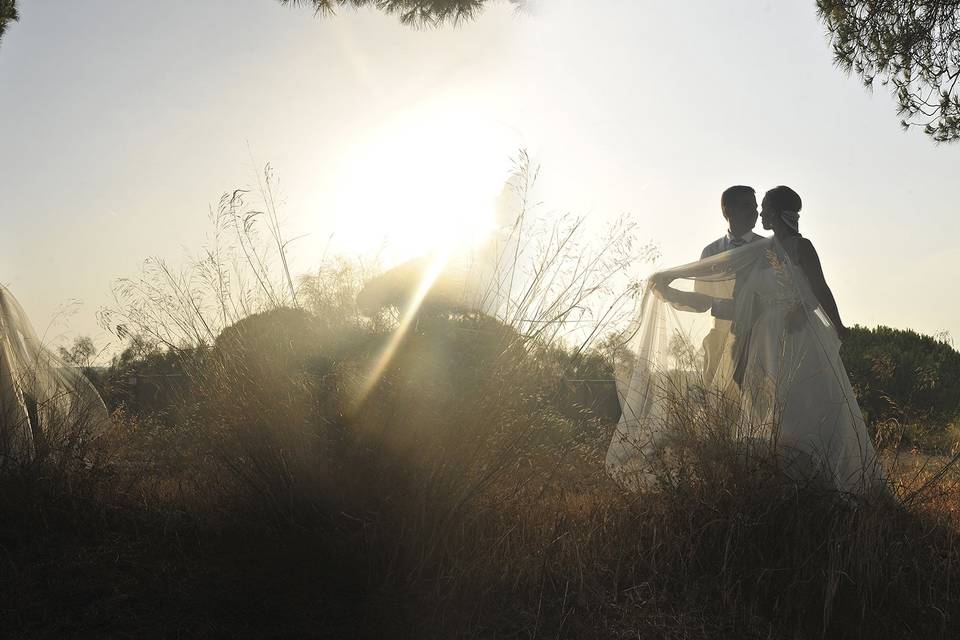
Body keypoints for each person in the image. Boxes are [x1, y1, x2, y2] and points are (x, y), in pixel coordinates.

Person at [607, 186, 882, 493]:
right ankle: (752, 479)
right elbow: (709, 292)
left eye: (761, 208)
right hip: (745, 339)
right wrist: (669, 283)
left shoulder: (773, 248)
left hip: (776, 336)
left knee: (801, 401)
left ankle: (820, 476)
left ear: (776, 214)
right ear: (731, 211)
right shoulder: (726, 250)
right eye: (752, 207)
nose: (757, 213)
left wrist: (815, 316)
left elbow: (814, 286)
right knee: (742, 410)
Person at [697, 185, 764, 385]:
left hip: (760, 338)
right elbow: (701, 299)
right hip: (721, 339)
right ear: (728, 210)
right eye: (747, 206)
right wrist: (668, 288)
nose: (755, 212)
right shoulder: (711, 252)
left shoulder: (767, 248)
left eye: (755, 206)